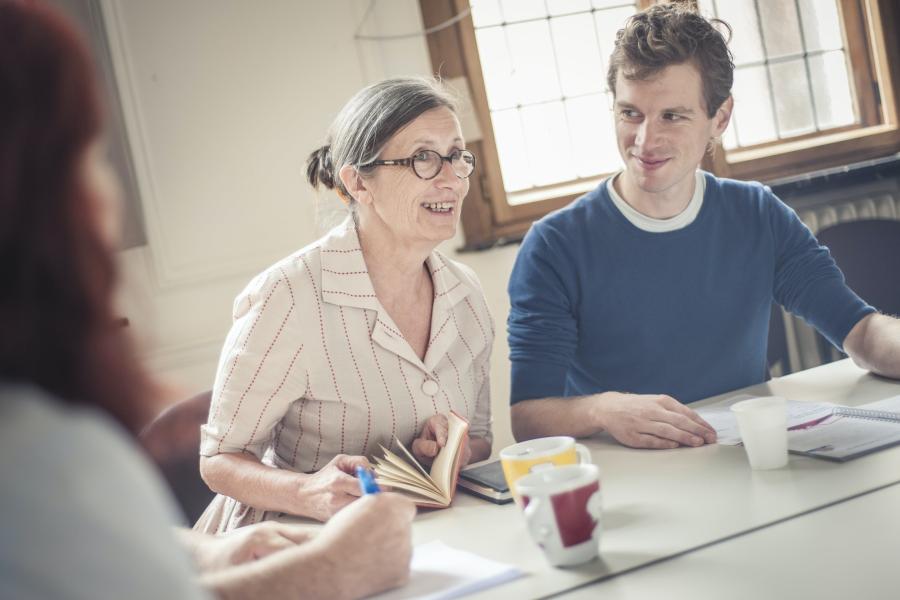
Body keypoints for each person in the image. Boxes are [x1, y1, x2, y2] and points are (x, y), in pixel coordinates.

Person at [0, 3, 414, 599]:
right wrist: (332, 571)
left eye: (458, 156)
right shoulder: (42, 463)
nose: (105, 196)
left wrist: (208, 555)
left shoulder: (463, 293)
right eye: (88, 155)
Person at [507, 3, 900, 450]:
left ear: (721, 117)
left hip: (743, 457)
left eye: (671, 116)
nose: (644, 140)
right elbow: (527, 416)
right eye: (630, 113)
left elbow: (862, 331)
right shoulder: (555, 245)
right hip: (632, 477)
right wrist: (603, 408)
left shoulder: (757, 213)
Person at [197, 77, 494, 532]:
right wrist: (306, 491)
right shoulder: (288, 296)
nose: (452, 178)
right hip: (289, 539)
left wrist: (446, 451)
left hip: (423, 533)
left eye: (456, 155)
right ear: (358, 183)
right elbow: (218, 460)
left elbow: (479, 438)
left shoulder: (466, 294)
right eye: (423, 159)